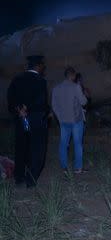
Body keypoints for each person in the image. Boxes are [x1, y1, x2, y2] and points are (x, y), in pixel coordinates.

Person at [7, 55, 50, 187]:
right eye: (42, 65)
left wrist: (19, 110)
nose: (43, 68)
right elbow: (40, 102)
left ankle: (19, 177)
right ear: (38, 66)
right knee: (37, 149)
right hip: (36, 120)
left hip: (21, 120)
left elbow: (10, 98)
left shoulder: (16, 79)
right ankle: (30, 180)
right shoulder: (41, 81)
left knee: (21, 147)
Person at [51, 67, 88, 174]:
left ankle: (64, 168)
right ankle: (78, 168)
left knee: (63, 144)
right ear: (73, 75)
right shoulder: (76, 87)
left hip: (63, 120)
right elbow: (83, 102)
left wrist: (59, 117)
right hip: (76, 120)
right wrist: (84, 95)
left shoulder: (56, 88)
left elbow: (54, 105)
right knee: (77, 143)